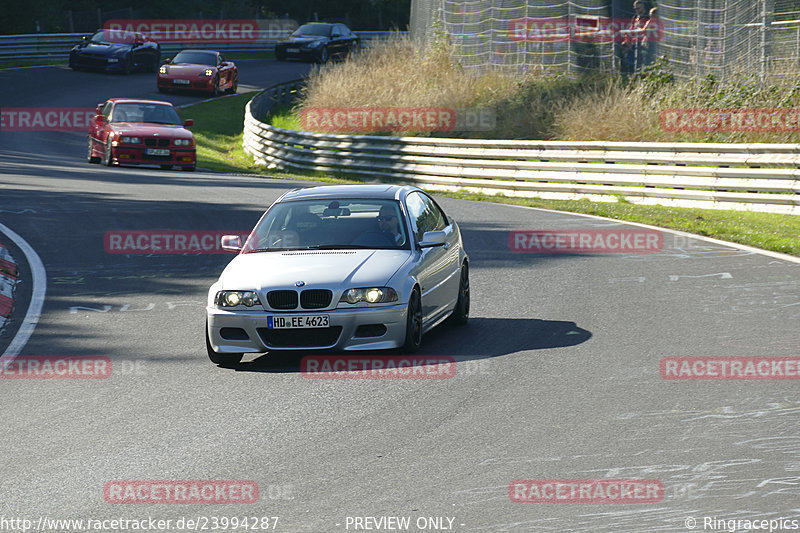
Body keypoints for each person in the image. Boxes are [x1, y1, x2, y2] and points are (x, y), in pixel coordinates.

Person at [620, 0, 650, 73]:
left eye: (638, 8)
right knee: (630, 61)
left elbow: (646, 30)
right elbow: (631, 29)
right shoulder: (635, 17)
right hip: (633, 43)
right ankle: (630, 75)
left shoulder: (648, 17)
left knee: (642, 62)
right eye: (635, 8)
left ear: (643, 7)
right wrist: (627, 41)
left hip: (643, 43)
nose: (636, 10)